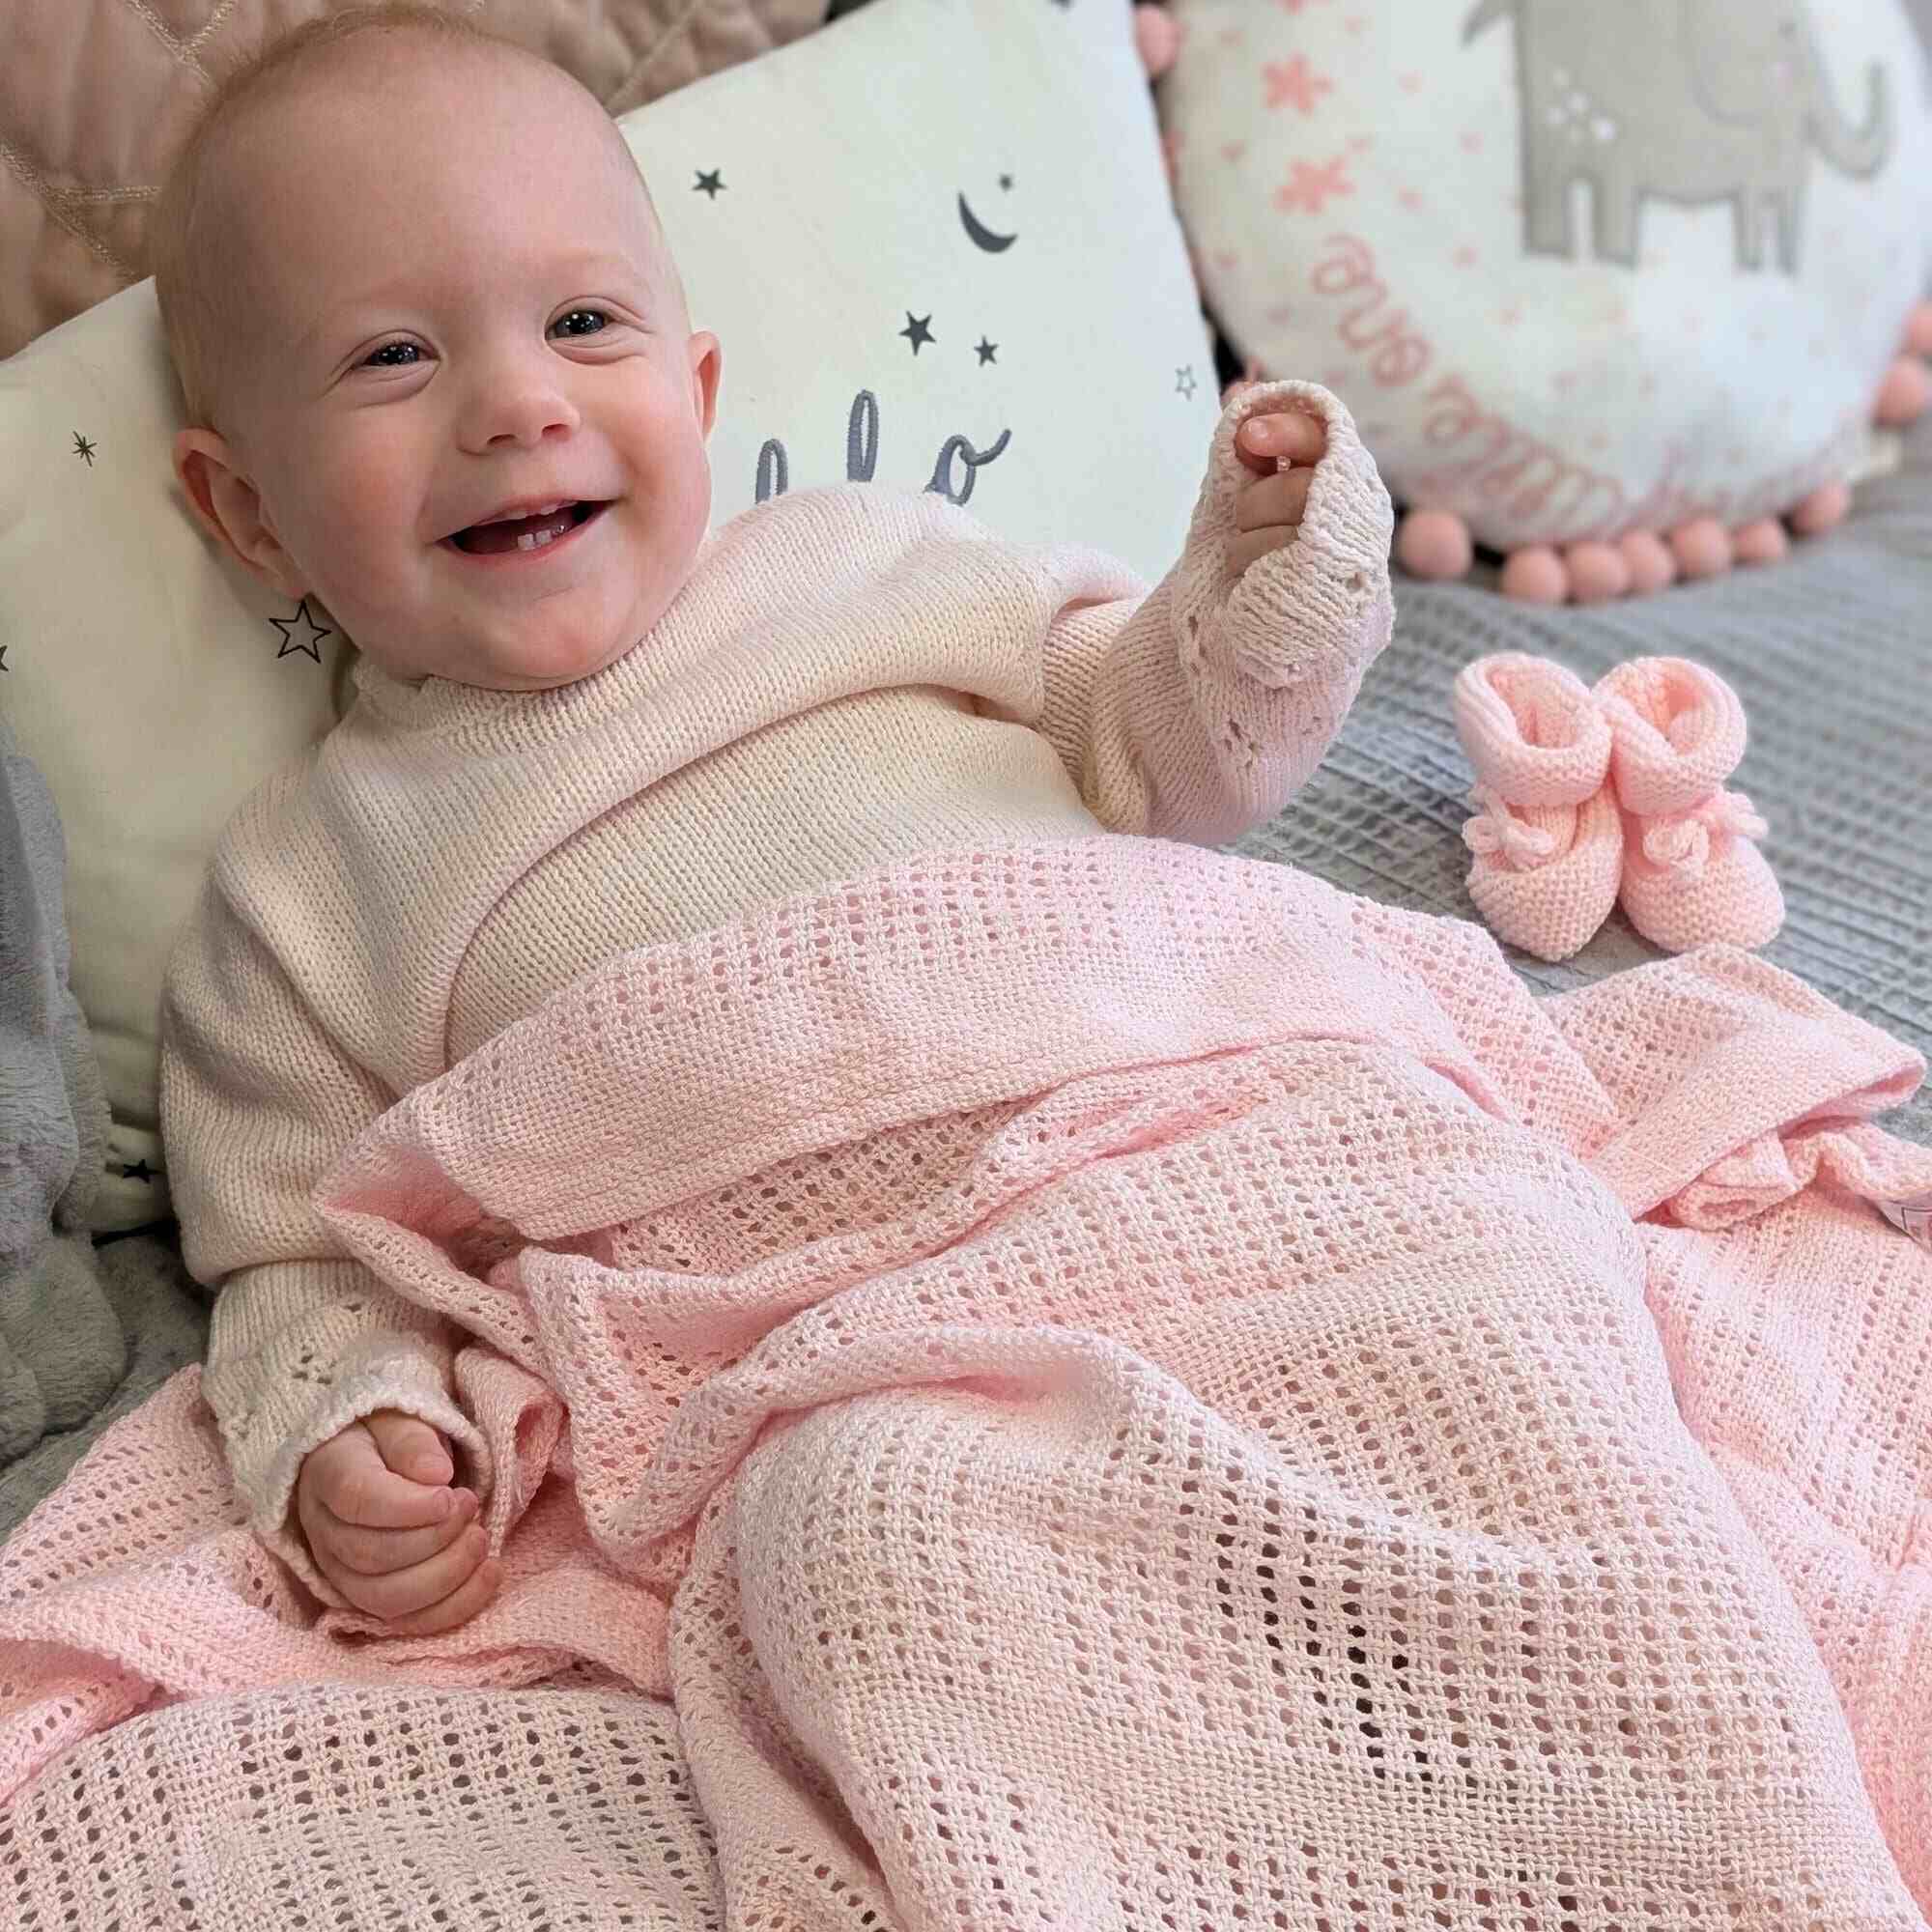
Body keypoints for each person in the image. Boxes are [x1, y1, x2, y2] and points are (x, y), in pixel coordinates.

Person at [155, 3, 1395, 1638]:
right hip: (826, 1336)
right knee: (860, 1543)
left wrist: (1258, 592)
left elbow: (1161, 752)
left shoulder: (867, 564)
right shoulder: (308, 886)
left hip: (1177, 1116)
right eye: (395, 356)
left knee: (1472, 1254)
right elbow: (293, 1250)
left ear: (696, 389)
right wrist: (352, 1426)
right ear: (248, 512)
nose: (516, 404)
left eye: (583, 321)